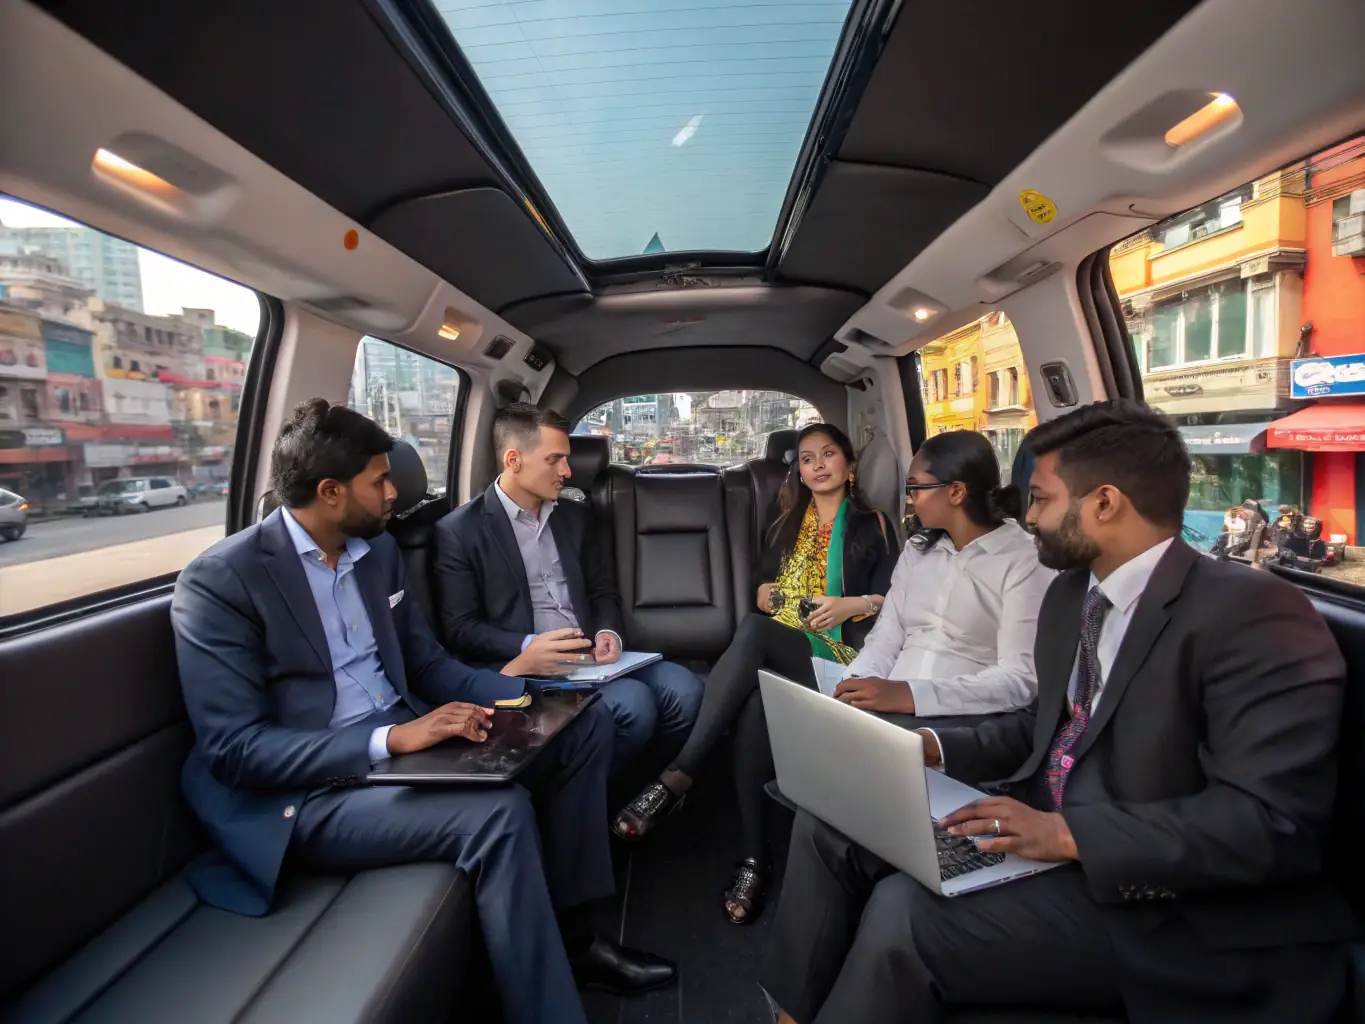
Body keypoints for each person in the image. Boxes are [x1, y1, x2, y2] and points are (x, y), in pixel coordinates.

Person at [760, 399, 1352, 1024]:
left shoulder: (1252, 614)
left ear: (1104, 503)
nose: (1028, 518)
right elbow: (1044, 728)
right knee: (831, 826)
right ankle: (793, 1012)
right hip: (1038, 824)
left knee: (904, 915)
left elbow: (1271, 825)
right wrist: (929, 745)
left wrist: (1068, 835)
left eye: (1039, 500)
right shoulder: (1075, 594)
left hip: (1166, 903)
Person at [171, 399, 675, 1024]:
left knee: (585, 725)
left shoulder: (374, 554)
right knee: (500, 812)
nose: (395, 493)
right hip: (311, 791)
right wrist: (392, 739)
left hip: (403, 742)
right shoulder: (222, 580)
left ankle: (577, 940)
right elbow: (234, 750)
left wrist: (526, 698)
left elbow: (426, 664)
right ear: (330, 492)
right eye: (380, 481)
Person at [613, 423, 900, 924]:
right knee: (753, 702)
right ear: (800, 471)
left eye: (829, 455)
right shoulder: (784, 524)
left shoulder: (873, 524)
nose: (819, 465)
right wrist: (767, 594)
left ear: (849, 464)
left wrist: (851, 603)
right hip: (789, 644)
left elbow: (896, 601)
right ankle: (753, 859)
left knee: (754, 633)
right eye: (808, 459)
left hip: (847, 658)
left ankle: (678, 777)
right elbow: (761, 589)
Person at [432, 403, 703, 776]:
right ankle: (593, 803)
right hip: (531, 664)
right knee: (634, 704)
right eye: (555, 459)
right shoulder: (459, 532)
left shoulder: (575, 518)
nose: (567, 471)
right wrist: (529, 646)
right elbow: (461, 628)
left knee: (686, 691)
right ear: (514, 460)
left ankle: (636, 791)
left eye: (567, 459)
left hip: (591, 657)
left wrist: (608, 632)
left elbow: (601, 590)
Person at [832, 430, 1054, 727]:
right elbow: (888, 633)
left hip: (957, 719)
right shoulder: (917, 549)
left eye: (916, 489)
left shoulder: (1024, 559)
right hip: (887, 705)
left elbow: (1020, 678)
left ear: (956, 492)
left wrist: (912, 696)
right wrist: (857, 682)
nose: (910, 500)